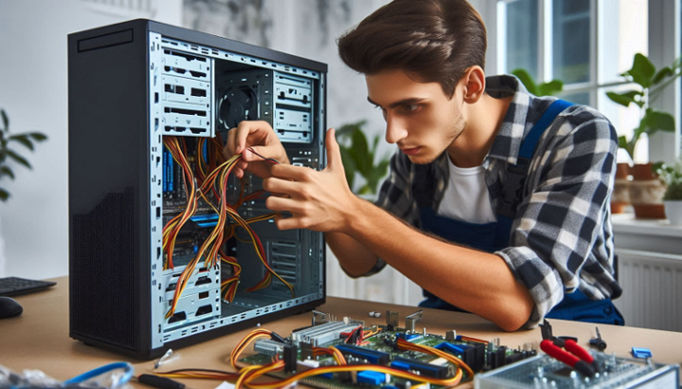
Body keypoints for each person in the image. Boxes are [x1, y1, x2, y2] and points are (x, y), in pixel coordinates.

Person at [223, 0, 623, 331]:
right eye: (383, 109)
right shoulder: (421, 151)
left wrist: (352, 210)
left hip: (571, 336)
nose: (392, 134)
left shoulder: (577, 135)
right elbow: (361, 260)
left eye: (410, 107)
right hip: (447, 333)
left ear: (470, 86)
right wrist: (293, 179)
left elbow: (516, 300)